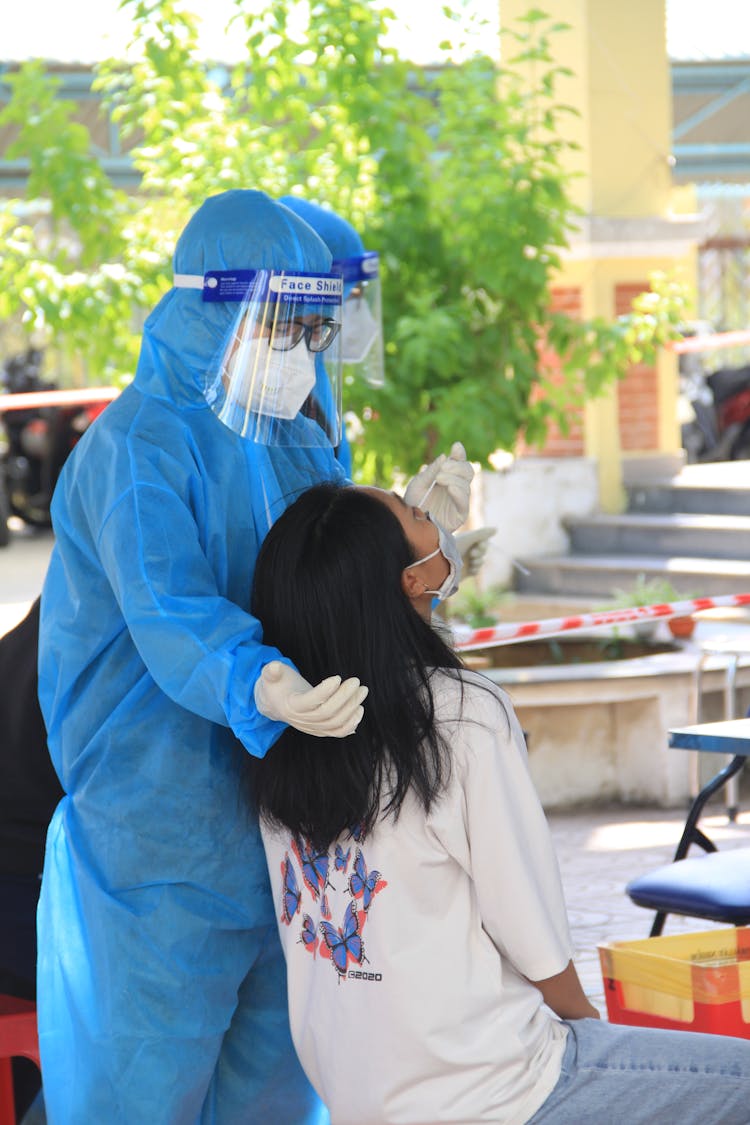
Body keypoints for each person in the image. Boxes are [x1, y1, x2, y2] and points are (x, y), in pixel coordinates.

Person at [36, 189, 475, 1123]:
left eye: (316, 331)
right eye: (286, 326)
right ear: (214, 308)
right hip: (163, 839)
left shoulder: (294, 441)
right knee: (146, 1096)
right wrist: (260, 678)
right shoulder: (135, 448)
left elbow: (339, 585)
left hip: (289, 824)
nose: (305, 356)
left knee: (278, 1087)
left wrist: (426, 553)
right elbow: (170, 605)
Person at [249, 482, 750, 1125]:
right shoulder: (460, 715)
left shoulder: (278, 729)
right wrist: (588, 1027)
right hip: (497, 1091)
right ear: (403, 581)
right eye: (419, 515)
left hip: (359, 1100)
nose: (436, 521)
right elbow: (532, 932)